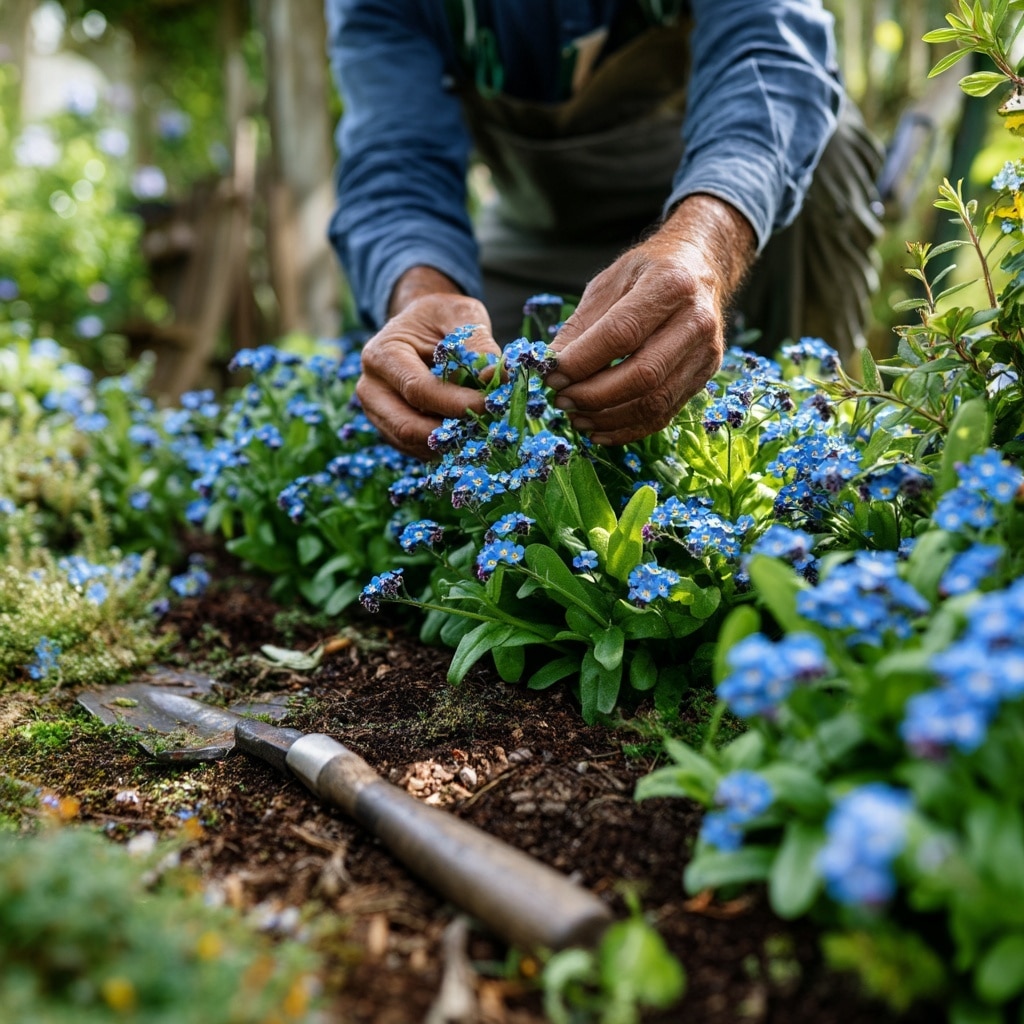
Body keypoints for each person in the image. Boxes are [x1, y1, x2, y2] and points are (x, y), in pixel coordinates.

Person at [324, 1, 882, 459]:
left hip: (727, 211)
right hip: (542, 234)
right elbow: (395, 157)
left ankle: (811, 449)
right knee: (470, 394)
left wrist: (703, 247)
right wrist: (420, 292)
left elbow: (769, 60)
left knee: (820, 156)